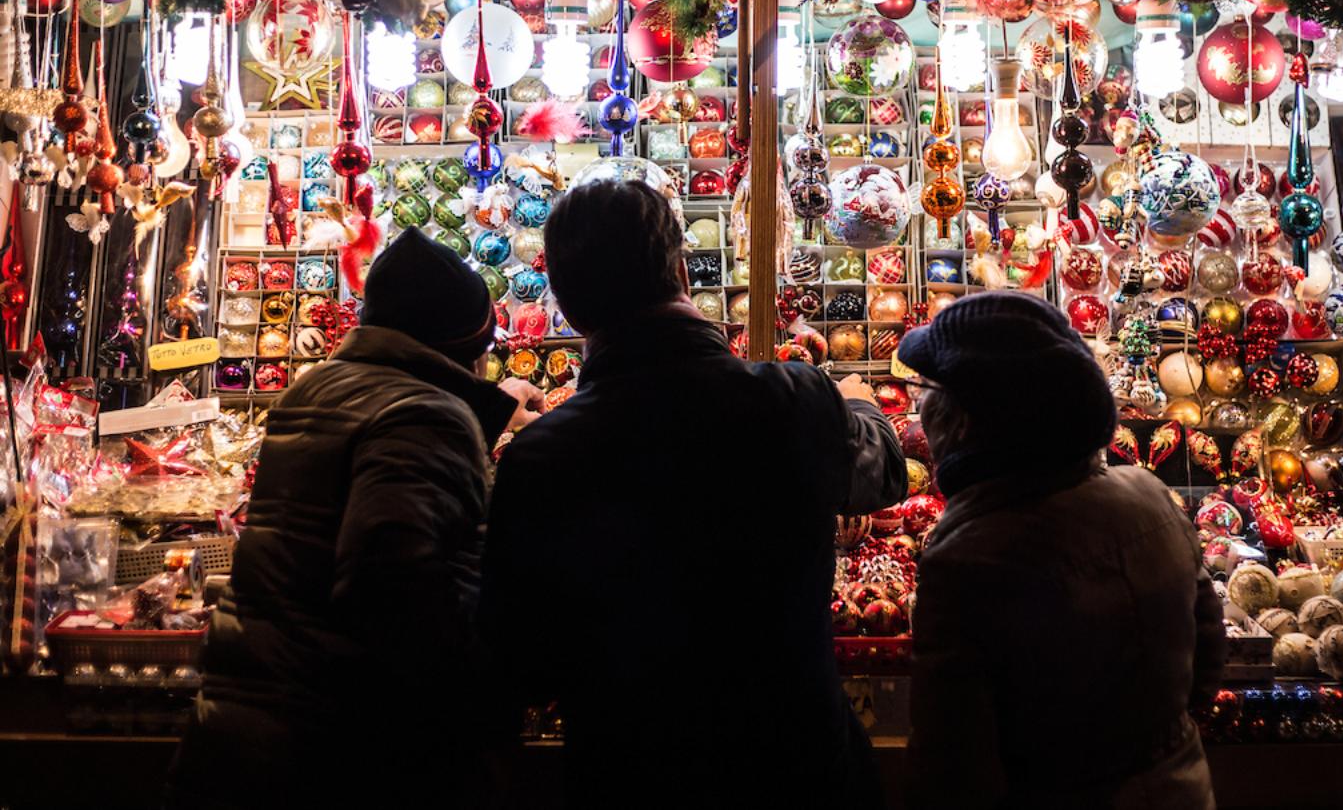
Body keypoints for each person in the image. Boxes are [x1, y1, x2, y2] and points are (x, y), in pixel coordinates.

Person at [482, 179, 907, 808]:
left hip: (631, 777)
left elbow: (519, 660)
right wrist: (861, 407)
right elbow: (884, 476)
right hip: (795, 770)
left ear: (567, 308)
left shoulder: (542, 459)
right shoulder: (793, 401)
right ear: (682, 269)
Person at [168, 228, 541, 809]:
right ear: (468, 343)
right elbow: (398, 590)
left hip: (250, 733)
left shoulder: (314, 389)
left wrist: (483, 411)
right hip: (339, 754)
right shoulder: (424, 416)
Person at [901, 292, 1224, 810]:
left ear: (967, 418)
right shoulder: (1150, 496)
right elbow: (1206, 668)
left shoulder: (968, 558)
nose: (920, 406)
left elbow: (953, 767)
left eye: (928, 390)